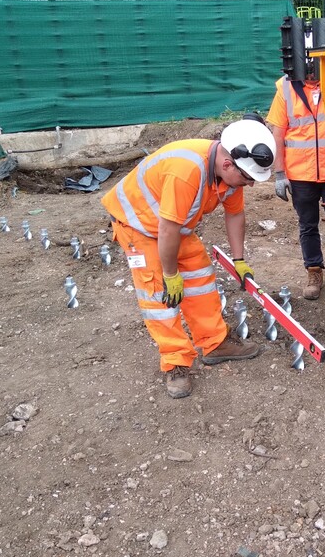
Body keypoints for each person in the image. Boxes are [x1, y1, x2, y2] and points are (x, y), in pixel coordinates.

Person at [101, 116, 276, 399]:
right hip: (139, 226)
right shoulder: (186, 171)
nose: (251, 185)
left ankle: (214, 342)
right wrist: (170, 275)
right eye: (248, 179)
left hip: (175, 226)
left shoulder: (230, 176)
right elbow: (166, 228)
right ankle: (176, 363)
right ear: (228, 164)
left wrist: (239, 259)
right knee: (159, 295)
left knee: (199, 277)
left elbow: (235, 214)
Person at [266, 73, 325, 303]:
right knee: (308, 225)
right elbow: (277, 132)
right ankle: (314, 272)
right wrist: (280, 174)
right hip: (300, 174)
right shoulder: (286, 88)